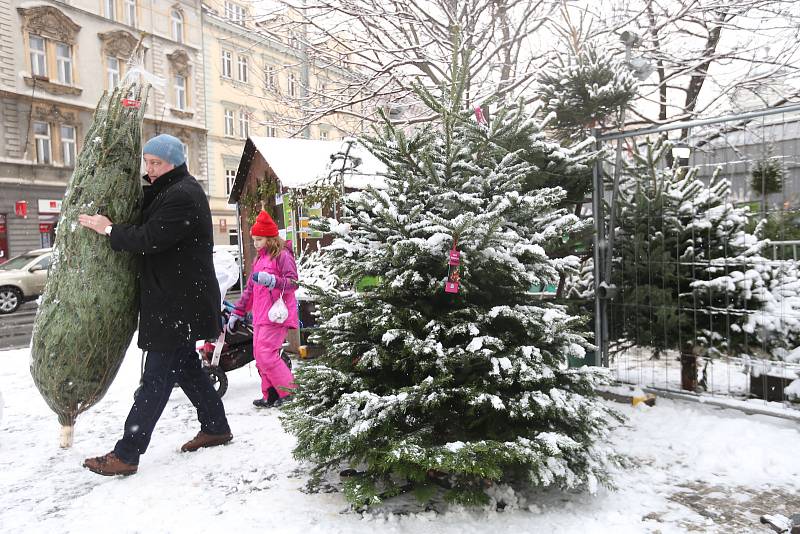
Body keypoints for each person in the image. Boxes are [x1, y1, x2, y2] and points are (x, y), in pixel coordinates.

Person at [77, 133, 232, 476]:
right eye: (147, 162)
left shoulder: (183, 195)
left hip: (178, 305)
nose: (150, 169)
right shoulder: (168, 190)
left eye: (156, 163)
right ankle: (216, 427)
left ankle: (127, 454)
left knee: (155, 380)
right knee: (188, 368)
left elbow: (150, 238)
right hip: (176, 301)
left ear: (174, 162)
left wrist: (108, 230)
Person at [228, 210, 298, 408]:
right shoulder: (259, 260)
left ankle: (289, 392)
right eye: (255, 239)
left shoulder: (283, 255)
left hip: (276, 315)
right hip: (260, 316)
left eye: (259, 239)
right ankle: (271, 394)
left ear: (270, 238)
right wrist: (237, 312)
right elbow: (250, 290)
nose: (256, 243)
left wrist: (272, 280)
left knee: (266, 354)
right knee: (260, 357)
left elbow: (293, 283)